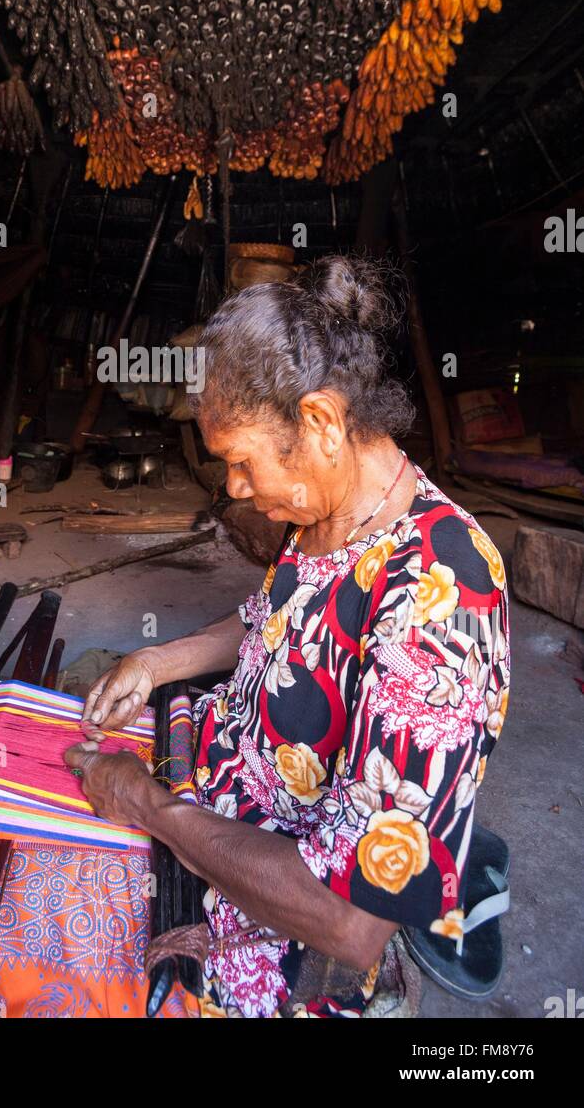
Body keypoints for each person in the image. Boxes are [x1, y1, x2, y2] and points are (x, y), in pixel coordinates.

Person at [64, 255, 510, 1017]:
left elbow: (348, 922)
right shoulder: (323, 516)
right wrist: (156, 660)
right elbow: (272, 620)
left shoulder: (445, 593)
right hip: (210, 786)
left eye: (240, 463)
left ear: (321, 424)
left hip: (283, 904)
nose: (233, 488)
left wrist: (148, 808)